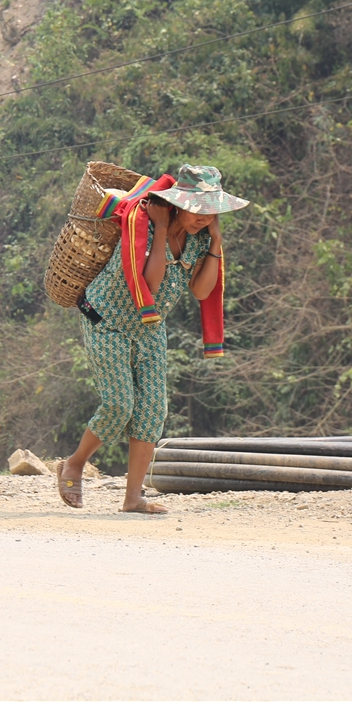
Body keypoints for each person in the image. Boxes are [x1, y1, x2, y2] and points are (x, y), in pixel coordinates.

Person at [58, 164, 248, 513]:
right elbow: (151, 283)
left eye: (211, 212)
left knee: (151, 412)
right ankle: (75, 462)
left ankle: (133, 498)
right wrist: (161, 227)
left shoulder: (202, 241)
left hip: (150, 328)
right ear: (178, 203)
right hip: (108, 319)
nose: (204, 218)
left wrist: (217, 243)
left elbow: (203, 291)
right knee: (118, 405)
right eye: (197, 209)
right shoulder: (142, 223)